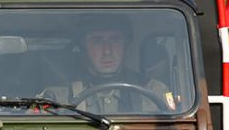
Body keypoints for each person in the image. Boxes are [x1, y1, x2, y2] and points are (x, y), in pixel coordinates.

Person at [41, 17, 174, 115]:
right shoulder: (58, 96)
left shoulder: (154, 92)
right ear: (83, 47)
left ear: (125, 44)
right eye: (97, 41)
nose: (107, 51)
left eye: (115, 39)